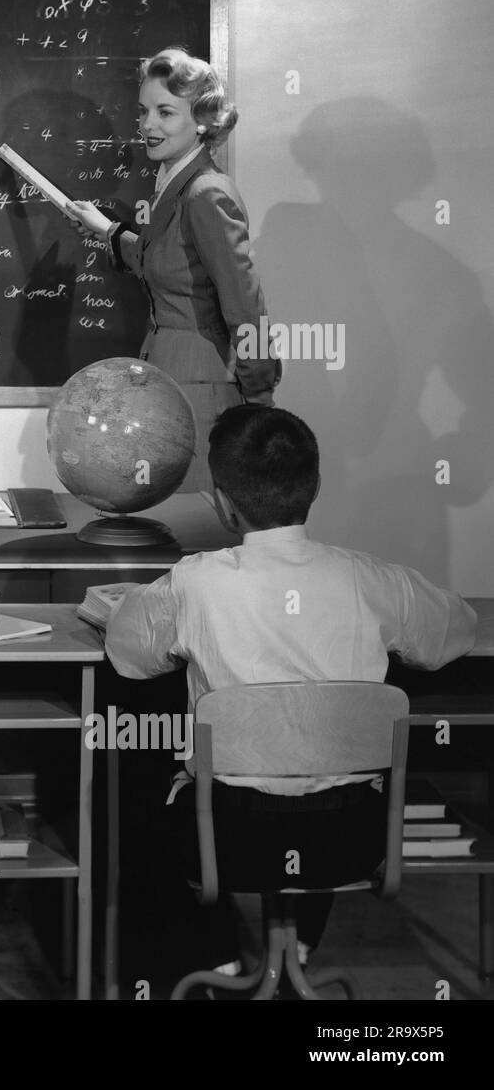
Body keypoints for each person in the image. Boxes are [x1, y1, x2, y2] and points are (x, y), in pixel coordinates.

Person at [104, 403, 477, 974]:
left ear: (224, 504)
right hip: (353, 837)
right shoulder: (372, 579)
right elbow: (457, 631)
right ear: (316, 486)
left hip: (230, 837)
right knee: (326, 765)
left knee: (133, 764)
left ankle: (215, 956)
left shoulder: (195, 583)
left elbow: (128, 657)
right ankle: (299, 949)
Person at [64, 47, 280, 493]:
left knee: (194, 530)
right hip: (171, 383)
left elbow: (246, 307)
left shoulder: (205, 194)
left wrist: (259, 399)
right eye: (144, 112)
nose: (148, 125)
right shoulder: (175, 186)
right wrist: (105, 230)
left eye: (165, 112)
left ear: (202, 119)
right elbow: (161, 261)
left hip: (201, 390)